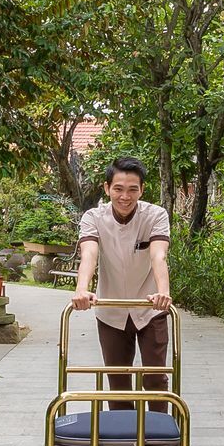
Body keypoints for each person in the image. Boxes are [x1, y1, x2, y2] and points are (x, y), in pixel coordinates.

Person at [71, 156, 172, 411]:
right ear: (107, 188)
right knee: (118, 380)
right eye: (118, 189)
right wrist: (82, 289)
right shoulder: (93, 217)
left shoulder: (156, 215)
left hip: (150, 307)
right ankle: (123, 442)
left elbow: (158, 255)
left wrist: (163, 292)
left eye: (132, 189)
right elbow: (89, 255)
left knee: (155, 378)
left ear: (142, 190)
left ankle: (160, 440)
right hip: (111, 309)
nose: (125, 196)